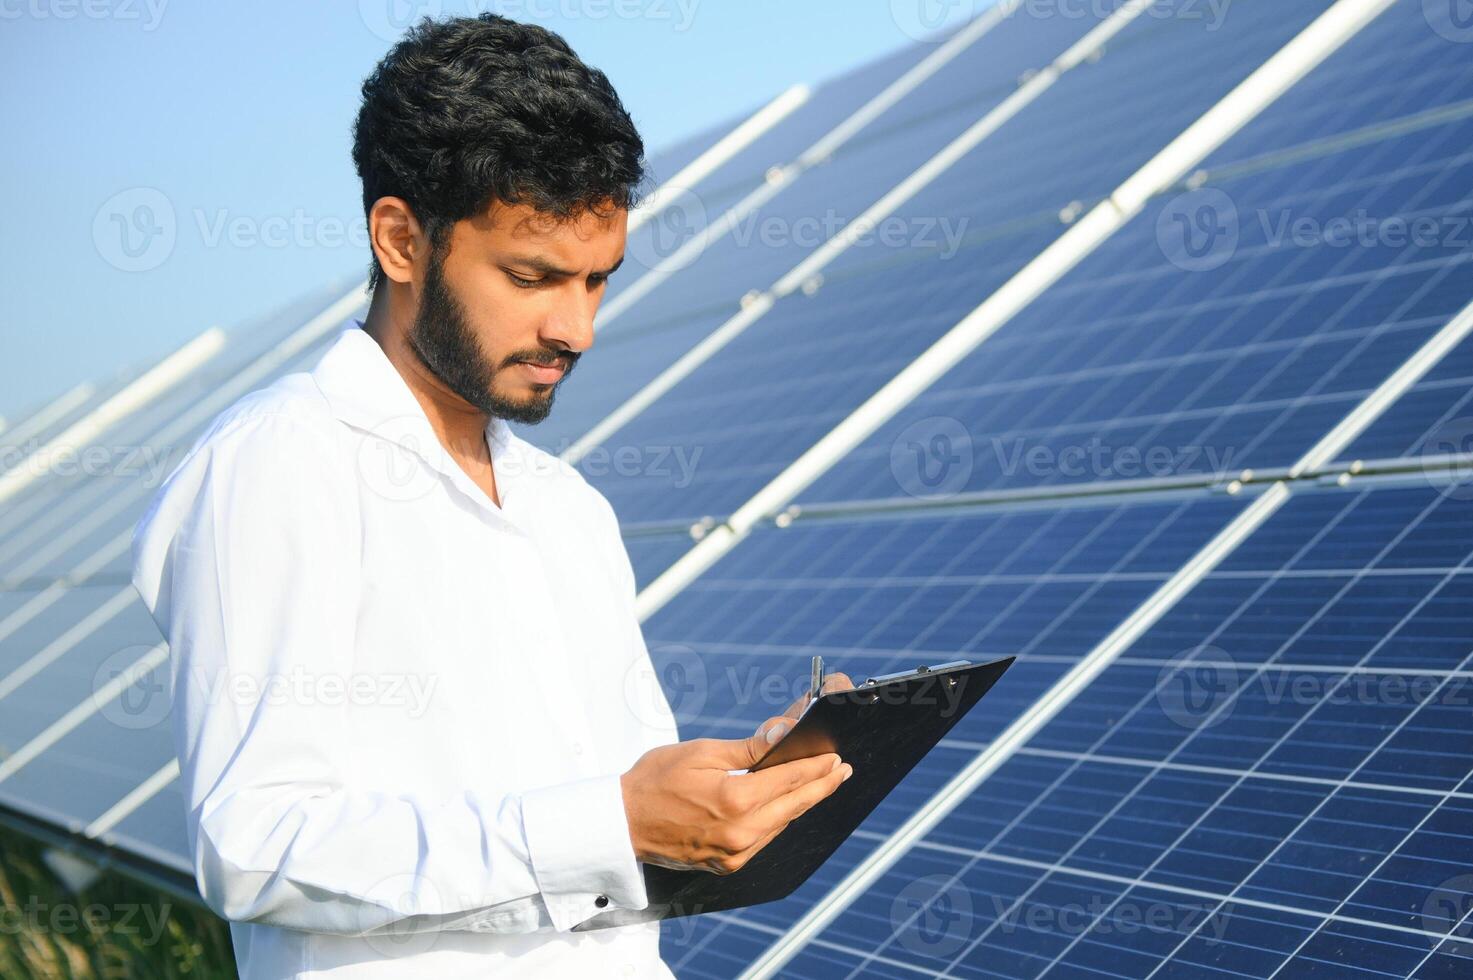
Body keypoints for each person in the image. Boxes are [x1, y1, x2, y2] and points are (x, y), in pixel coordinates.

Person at [130, 13, 850, 979]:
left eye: (599, 280)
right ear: (400, 240)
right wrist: (606, 823)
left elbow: (613, 838)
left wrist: (726, 792)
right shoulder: (281, 463)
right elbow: (255, 844)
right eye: (532, 275)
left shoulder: (568, 509)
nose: (577, 327)